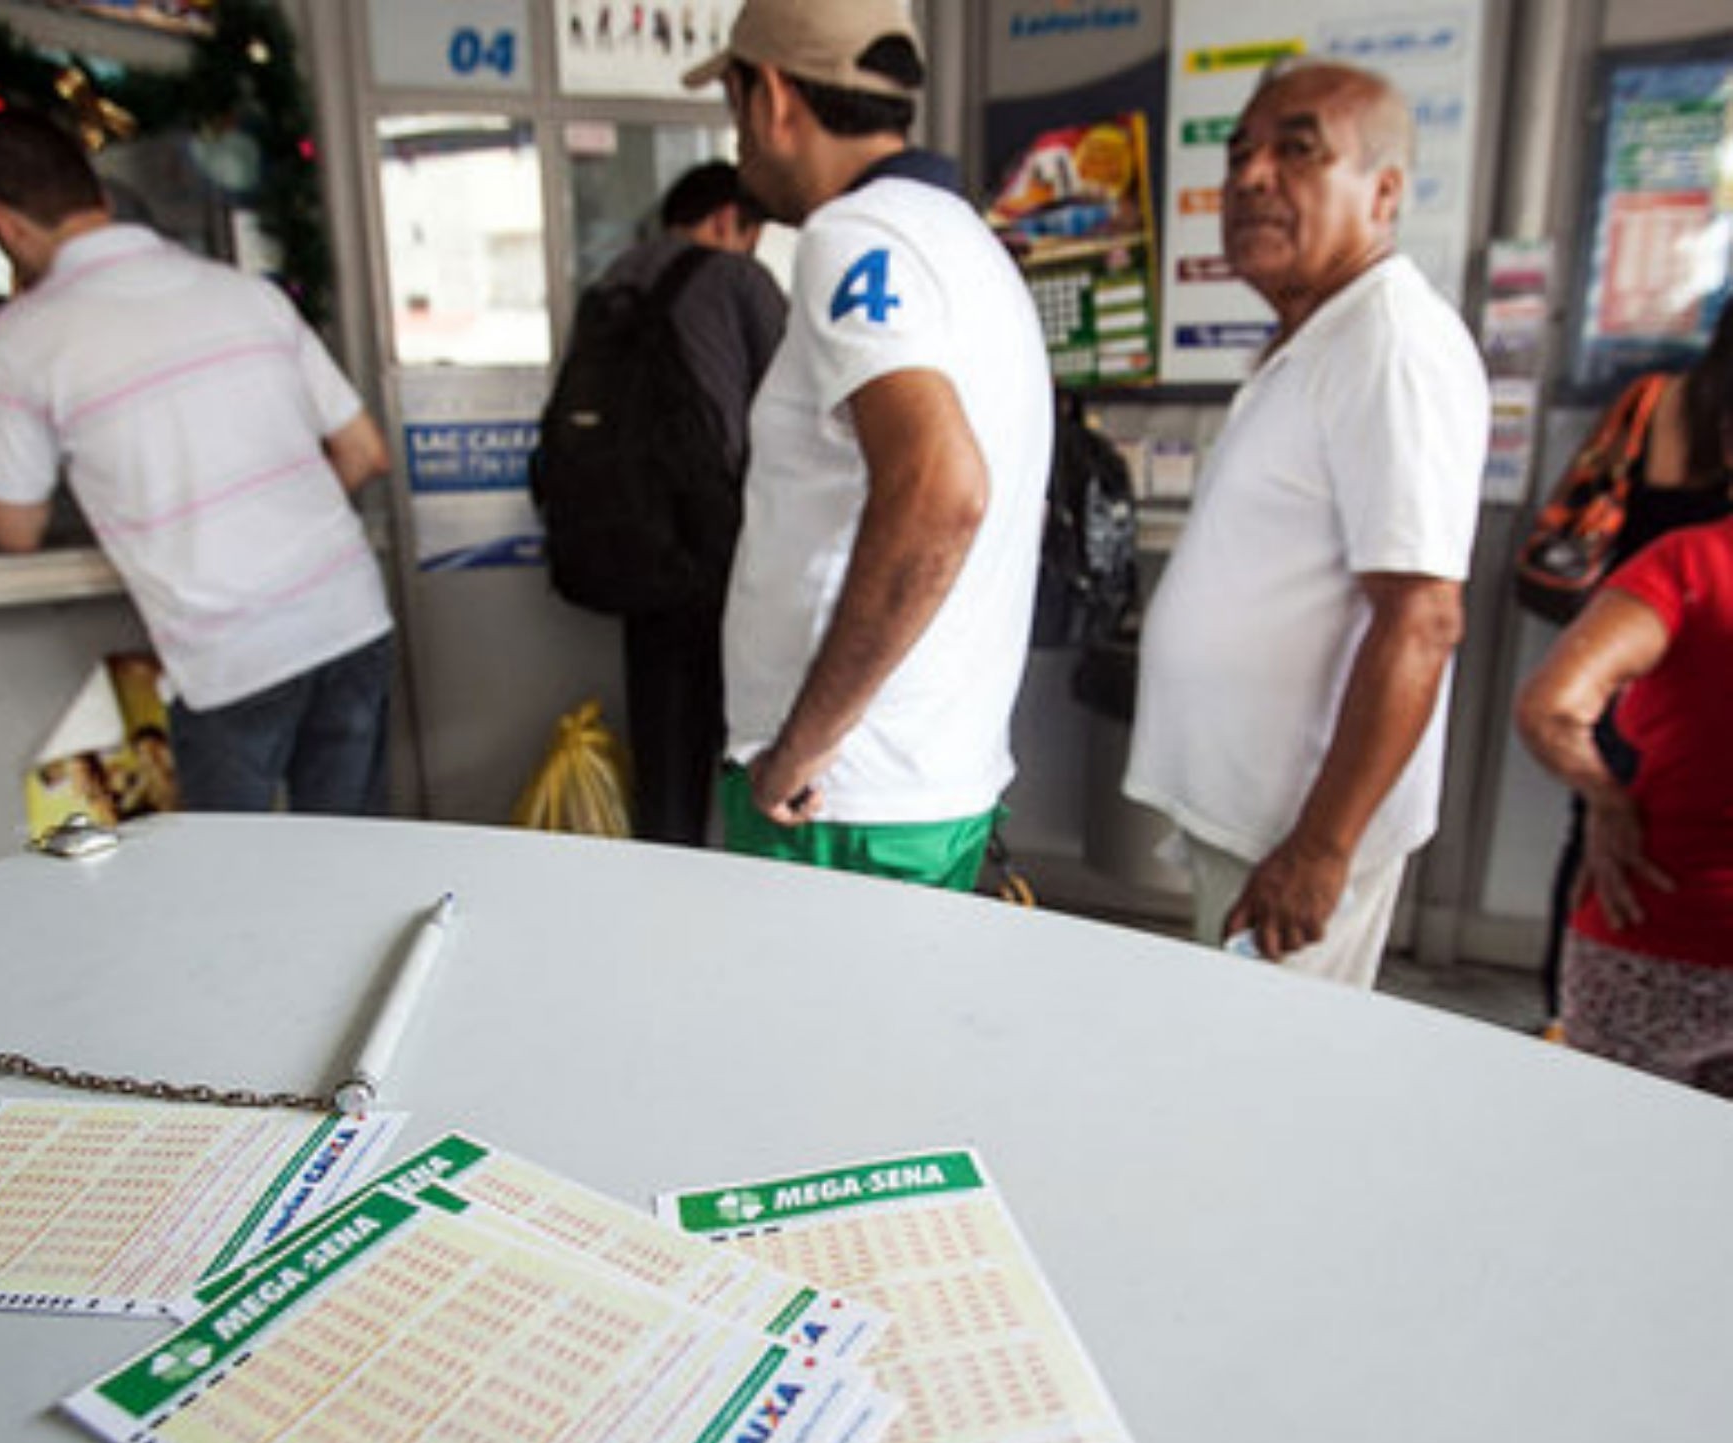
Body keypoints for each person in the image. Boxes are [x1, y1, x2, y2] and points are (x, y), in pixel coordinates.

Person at [1124, 59, 1488, 987]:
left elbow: (1422, 617)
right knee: (1234, 1057)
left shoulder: (1390, 343)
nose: (1251, 177)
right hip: (1256, 821)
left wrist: (1322, 849)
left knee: (1268, 1071)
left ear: (1384, 192)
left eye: (1298, 151)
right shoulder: (1322, 338)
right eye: (1240, 154)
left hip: (1297, 841)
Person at [685, 0, 1053, 891]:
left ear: (774, 98)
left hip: (838, 801)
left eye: (734, 107)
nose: (738, 142)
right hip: (920, 777)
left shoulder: (855, 238)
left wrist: (801, 747)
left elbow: (940, 488)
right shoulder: (962, 239)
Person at [0, 106, 396, 815]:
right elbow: (365, 452)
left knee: (225, 868)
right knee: (358, 853)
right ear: (95, 189)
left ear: (3, 224)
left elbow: (14, 526)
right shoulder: (246, 294)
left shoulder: (22, 338)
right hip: (347, 615)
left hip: (229, 650)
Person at [1538, 298, 1733, 1023]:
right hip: (1688, 654)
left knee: (1603, 837)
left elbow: (1551, 709)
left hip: (1631, 656)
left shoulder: (1661, 403)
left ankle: (1565, 1017)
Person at [593, 162, 786, 846]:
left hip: (629, 536)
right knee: (749, 737)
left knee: (665, 743)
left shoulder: (615, 278)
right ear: (729, 220)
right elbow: (794, 403)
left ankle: (664, 873)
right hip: (721, 541)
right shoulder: (739, 280)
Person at [1515, 511, 1733, 1096]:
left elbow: (1551, 707)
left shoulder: (1691, 564)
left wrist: (1606, 800)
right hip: (1662, 931)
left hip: (1654, 931)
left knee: (1608, 1139)